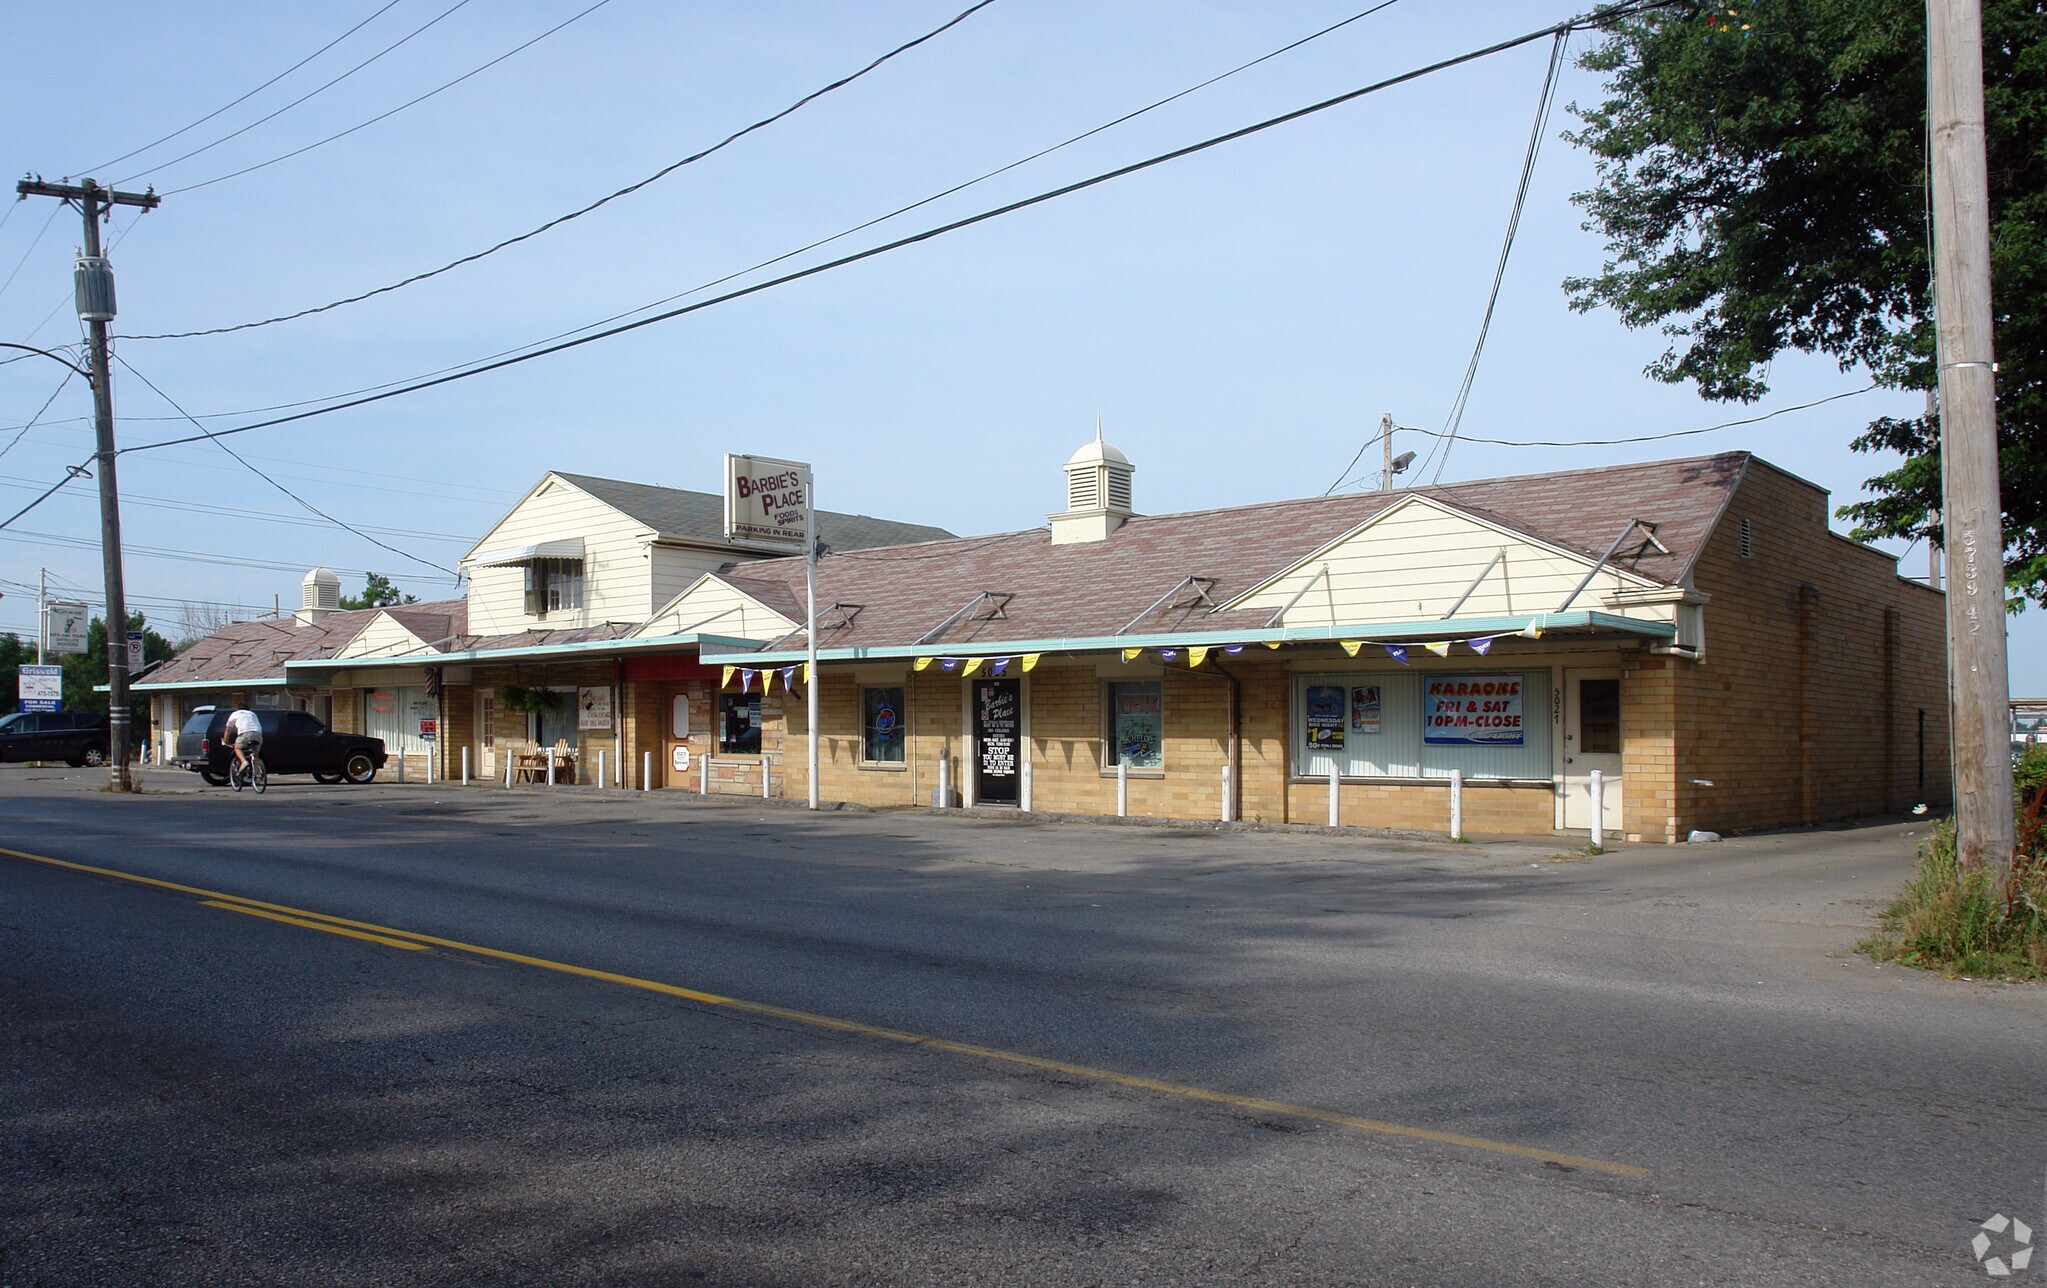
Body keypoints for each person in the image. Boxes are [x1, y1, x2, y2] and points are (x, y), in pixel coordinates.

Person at [223, 707, 263, 776]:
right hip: (258, 733)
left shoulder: (235, 714)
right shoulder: (252, 714)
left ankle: (244, 761)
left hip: (245, 734)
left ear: (238, 709)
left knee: (237, 747)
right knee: (255, 752)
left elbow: (228, 730)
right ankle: (256, 770)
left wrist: (226, 741)